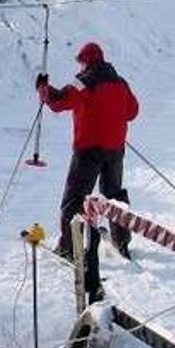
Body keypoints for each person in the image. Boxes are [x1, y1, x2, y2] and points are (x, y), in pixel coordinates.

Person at [35, 42, 140, 270]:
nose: (80, 66)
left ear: (86, 61)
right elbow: (132, 111)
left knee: (75, 198)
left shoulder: (83, 82)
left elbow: (58, 102)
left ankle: (68, 248)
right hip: (115, 148)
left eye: (80, 62)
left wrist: (44, 88)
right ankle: (121, 243)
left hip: (88, 149)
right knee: (114, 196)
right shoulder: (120, 82)